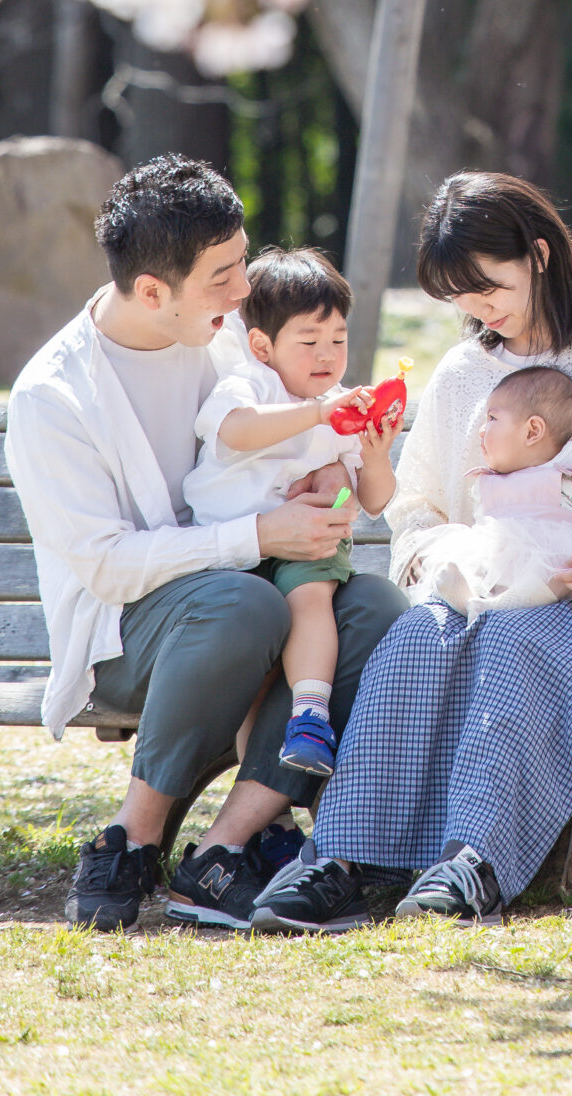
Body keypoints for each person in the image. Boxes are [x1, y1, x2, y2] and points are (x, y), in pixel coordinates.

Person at [250, 171, 572, 933]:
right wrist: (452, 562)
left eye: (488, 286)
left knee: (513, 643)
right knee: (412, 640)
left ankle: (475, 860)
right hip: (486, 593)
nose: (478, 310)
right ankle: (340, 857)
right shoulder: (465, 371)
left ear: (538, 254)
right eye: (459, 296)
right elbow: (416, 504)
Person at [4, 154, 409, 933]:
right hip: (131, 640)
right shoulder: (56, 396)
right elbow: (105, 564)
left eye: (242, 262)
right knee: (242, 602)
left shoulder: (231, 342)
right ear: (153, 292)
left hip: (252, 595)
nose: (244, 289)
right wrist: (255, 533)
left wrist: (317, 488)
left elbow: (292, 444)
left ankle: (229, 848)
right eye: (223, 274)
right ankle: (134, 835)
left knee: (375, 609)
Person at [185, 248, 402, 777]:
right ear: (262, 345)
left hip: (304, 546)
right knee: (252, 683)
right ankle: (271, 816)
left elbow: (373, 501)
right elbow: (235, 431)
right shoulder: (249, 385)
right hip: (233, 550)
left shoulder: (341, 404)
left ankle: (310, 714)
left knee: (312, 596)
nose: (326, 355)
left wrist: (368, 462)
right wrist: (317, 414)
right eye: (309, 341)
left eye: (338, 340)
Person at [419, 364, 572, 620]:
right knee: (471, 561)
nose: (482, 430)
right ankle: (470, 597)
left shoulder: (569, 479)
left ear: (532, 431)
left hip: (554, 564)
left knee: (555, 569)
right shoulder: (487, 484)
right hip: (501, 562)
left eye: (492, 418)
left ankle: (503, 605)